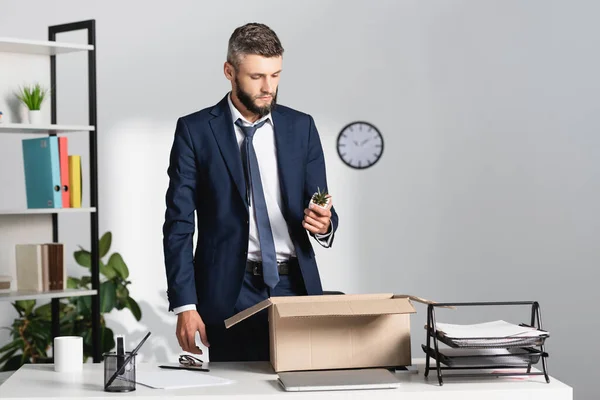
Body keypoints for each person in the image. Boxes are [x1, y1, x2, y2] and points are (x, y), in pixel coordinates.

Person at [162, 22, 339, 362]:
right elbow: (179, 224)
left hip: (295, 286)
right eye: (257, 76)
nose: (268, 87)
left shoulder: (301, 127)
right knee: (235, 389)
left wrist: (324, 224)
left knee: (303, 383)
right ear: (230, 71)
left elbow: (322, 207)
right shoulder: (195, 131)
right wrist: (186, 304)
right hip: (230, 290)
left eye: (275, 75)